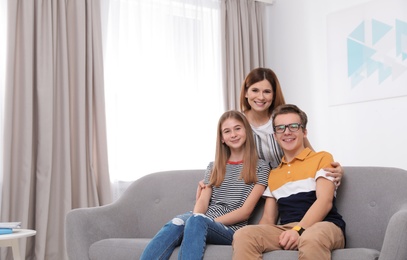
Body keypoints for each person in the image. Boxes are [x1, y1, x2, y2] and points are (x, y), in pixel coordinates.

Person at [140, 110, 270, 260]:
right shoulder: (214, 167)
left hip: (230, 229)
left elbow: (245, 212)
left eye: (237, 128)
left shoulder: (261, 167)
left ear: (246, 131)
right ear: (222, 138)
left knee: (196, 220)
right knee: (176, 222)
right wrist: (198, 218)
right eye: (227, 131)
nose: (233, 134)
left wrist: (204, 222)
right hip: (201, 221)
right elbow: (202, 203)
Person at [196, 67, 343, 200]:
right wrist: (210, 181)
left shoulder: (283, 122)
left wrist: (334, 170)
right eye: (255, 90)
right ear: (246, 92)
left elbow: (310, 155)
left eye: (267, 91)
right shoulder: (239, 124)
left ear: (273, 95)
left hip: (285, 187)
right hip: (252, 191)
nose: (260, 97)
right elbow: (229, 158)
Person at [232, 104, 346, 260]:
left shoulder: (322, 158)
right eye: (280, 128)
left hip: (324, 226)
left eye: (293, 126)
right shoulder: (274, 174)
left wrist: (298, 230)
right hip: (287, 229)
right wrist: (257, 233)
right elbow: (268, 219)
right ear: (275, 136)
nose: (287, 132)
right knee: (244, 234)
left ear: (304, 132)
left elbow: (325, 202)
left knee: (310, 237)